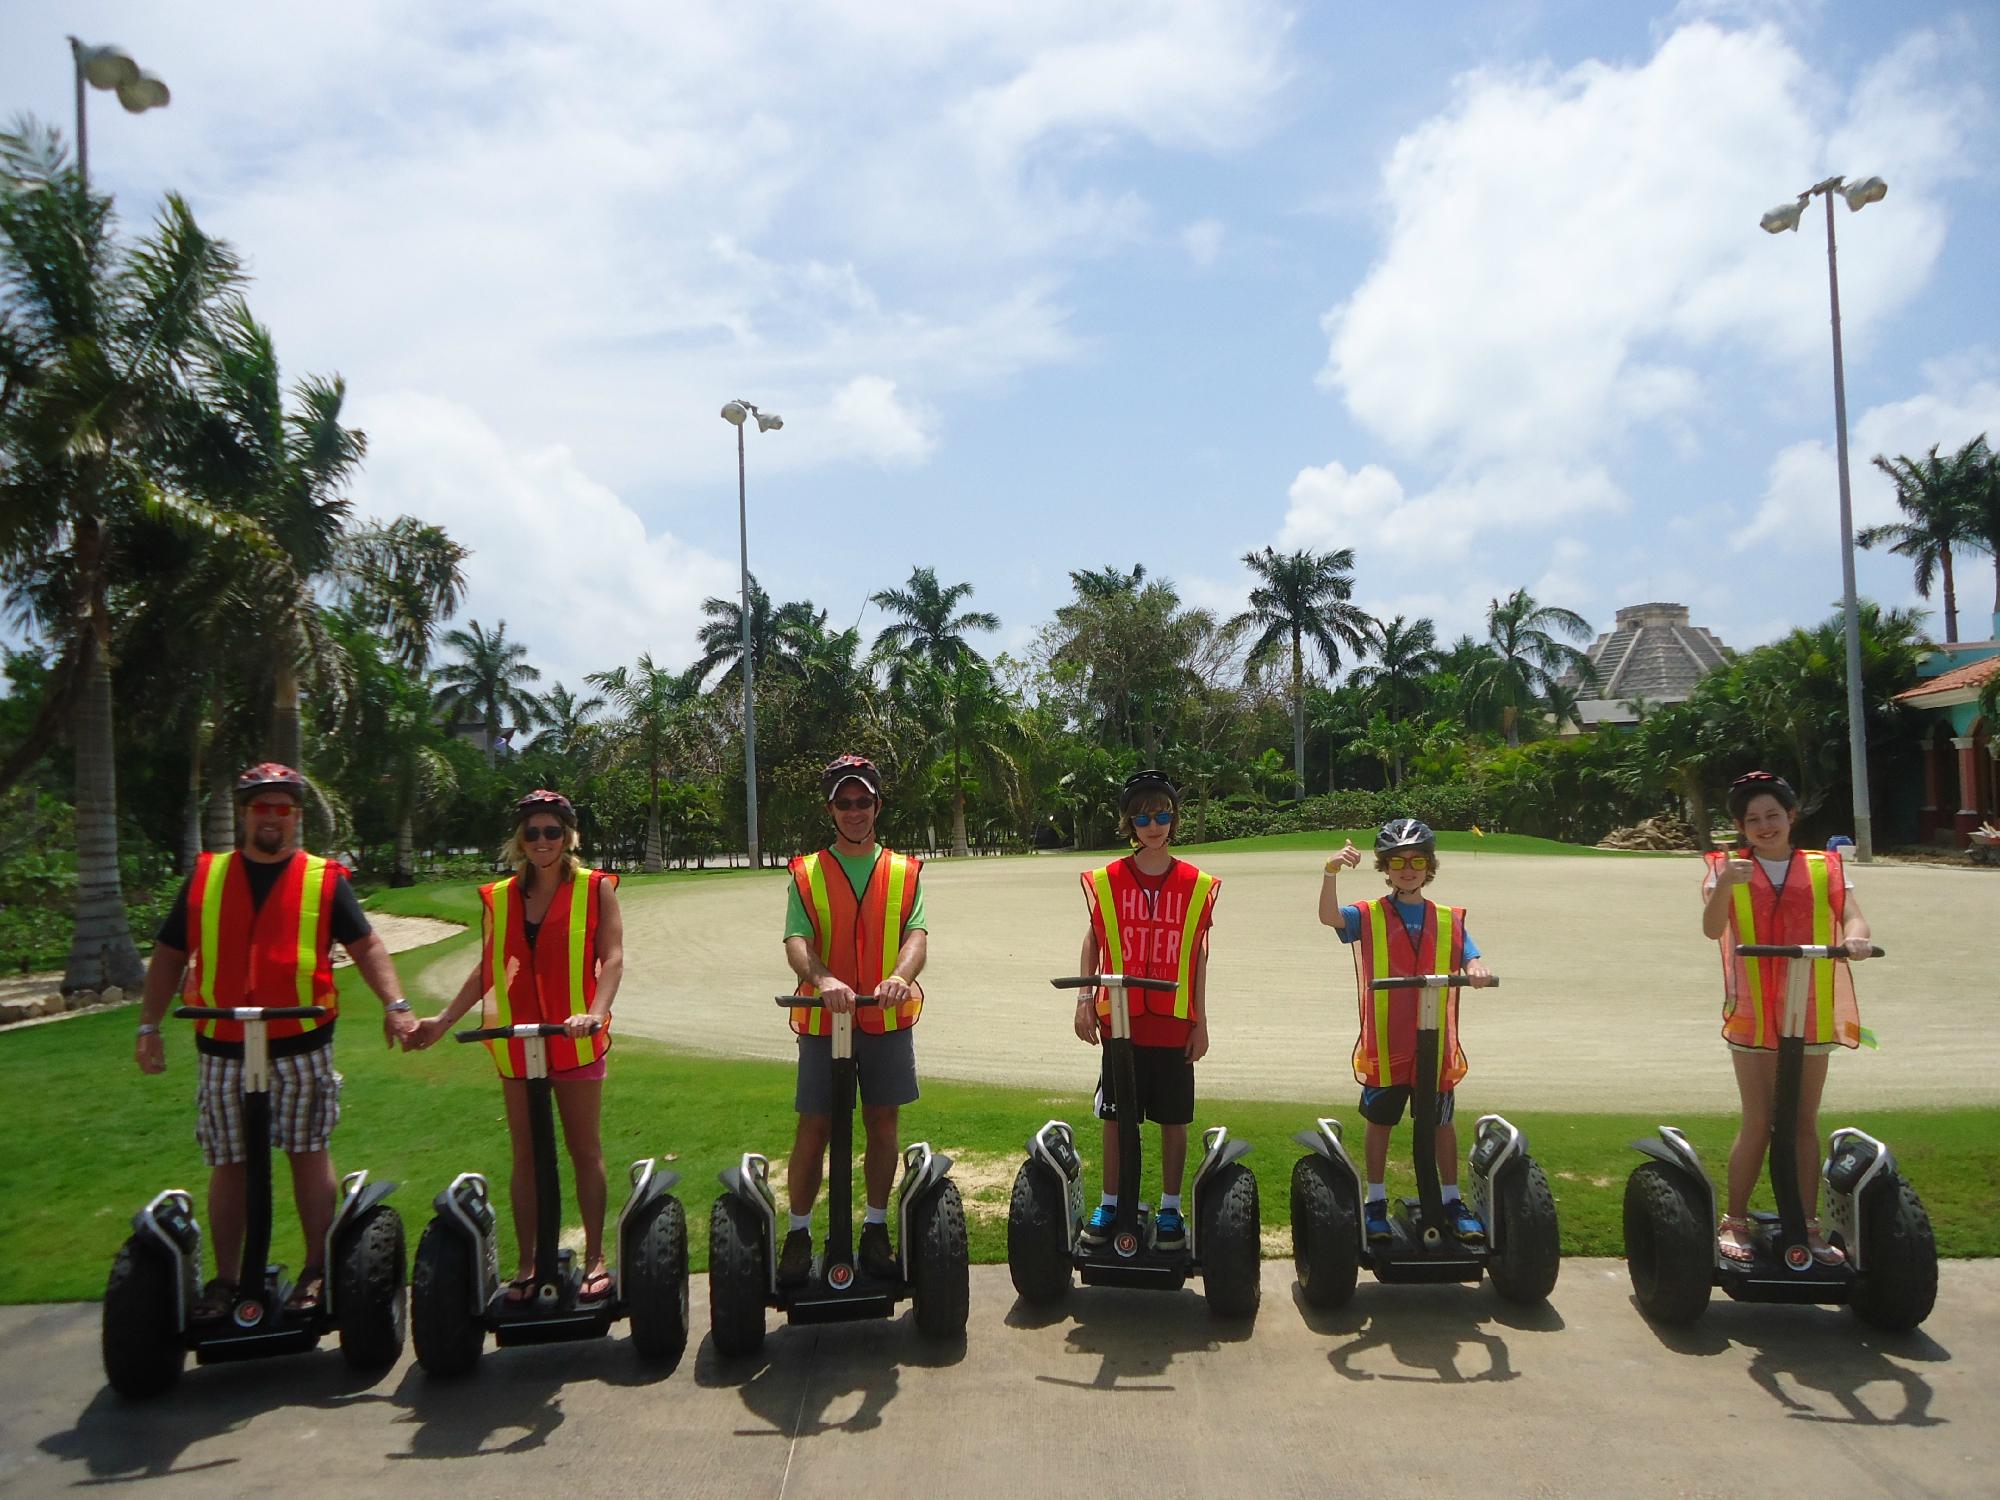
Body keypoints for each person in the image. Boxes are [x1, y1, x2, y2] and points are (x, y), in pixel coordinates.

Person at [132, 762, 420, 1319]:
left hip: (301, 1040)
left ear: (296, 817)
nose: (271, 816)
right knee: (229, 1161)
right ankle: (227, 1280)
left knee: (308, 1153)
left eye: (282, 807)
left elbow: (366, 946)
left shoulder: (323, 878)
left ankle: (316, 1270)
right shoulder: (206, 877)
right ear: (243, 813)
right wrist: (149, 1024)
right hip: (222, 1042)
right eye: (261, 806)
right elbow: (169, 954)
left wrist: (397, 1005)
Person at [410, 790, 625, 1303]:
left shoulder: (595, 890)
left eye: (553, 831)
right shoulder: (501, 896)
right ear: (519, 841)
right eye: (532, 832)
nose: (542, 841)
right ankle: (528, 1263)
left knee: (583, 1149)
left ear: (569, 837)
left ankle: (595, 1256)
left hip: (574, 1041)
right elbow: (488, 967)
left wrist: (594, 1014)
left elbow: (612, 959)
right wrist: (442, 1021)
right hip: (518, 1042)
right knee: (525, 1154)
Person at [1701, 770, 1870, 1266]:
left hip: (1810, 1007)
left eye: (1773, 815)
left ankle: (1808, 1226)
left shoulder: (1825, 866)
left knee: (1801, 1121)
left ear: (1791, 816)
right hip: (1753, 1009)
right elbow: (1713, 929)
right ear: (1740, 826)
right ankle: (1734, 1220)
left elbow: (1852, 915)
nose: (1764, 825)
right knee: (1758, 1120)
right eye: (1753, 819)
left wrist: (1857, 938)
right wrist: (1726, 886)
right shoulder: (1726, 866)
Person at [779, 754, 928, 1284]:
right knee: (814, 1126)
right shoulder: (807, 872)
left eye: (863, 801)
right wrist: (822, 980)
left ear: (877, 806)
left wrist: (901, 977)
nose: (854, 811)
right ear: (831, 809)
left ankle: (875, 1227)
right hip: (824, 1022)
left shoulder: (904, 870)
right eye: (844, 803)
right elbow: (796, 941)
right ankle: (798, 1233)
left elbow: (916, 935)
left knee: (882, 1123)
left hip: (886, 1018)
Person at [1318, 817, 1494, 1244]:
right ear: (1386, 867)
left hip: (1434, 1047)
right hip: (1387, 1043)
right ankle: (1375, 1201)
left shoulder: (1448, 918)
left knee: (1441, 1124)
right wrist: (1330, 871)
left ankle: (1452, 1201)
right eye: (1397, 861)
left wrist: (1476, 969)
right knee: (1380, 1123)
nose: (1407, 868)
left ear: (1429, 865)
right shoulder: (1369, 914)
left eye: (1416, 860)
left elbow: (1470, 956)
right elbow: (1329, 918)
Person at [1073, 769, 1219, 1252]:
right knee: (1116, 1119)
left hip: (1173, 1022)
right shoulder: (1107, 879)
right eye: (1142, 816)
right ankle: (1113, 1201)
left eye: (1161, 815)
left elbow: (1199, 952)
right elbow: (1094, 939)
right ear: (1129, 823)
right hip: (1121, 1023)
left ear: (1173, 819)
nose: (1153, 825)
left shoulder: (1196, 884)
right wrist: (1083, 1002)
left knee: (1174, 1120)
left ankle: (1171, 1207)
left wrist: (1200, 1020)